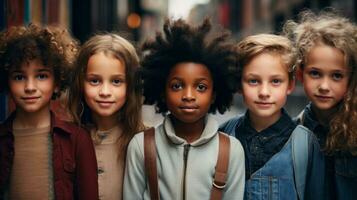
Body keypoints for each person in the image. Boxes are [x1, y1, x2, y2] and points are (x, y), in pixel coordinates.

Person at [123, 19, 245, 200]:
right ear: (162, 92)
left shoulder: (231, 151)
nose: (188, 95)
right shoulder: (141, 146)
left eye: (201, 87)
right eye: (177, 86)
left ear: (214, 94)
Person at [220, 34, 324, 199]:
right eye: (253, 81)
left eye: (275, 81)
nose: (264, 93)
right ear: (239, 84)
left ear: (290, 84)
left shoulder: (305, 144)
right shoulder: (224, 134)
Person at [0, 24, 98, 199]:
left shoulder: (78, 140)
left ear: (57, 82)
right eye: (19, 77)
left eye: (41, 76)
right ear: (7, 82)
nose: (30, 87)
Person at [284, 10, 357, 200]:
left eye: (337, 76)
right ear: (300, 74)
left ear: (350, 80)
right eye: (315, 73)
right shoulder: (289, 135)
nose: (324, 86)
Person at [68, 33, 144, 200]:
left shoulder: (145, 142)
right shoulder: (66, 140)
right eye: (95, 81)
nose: (105, 92)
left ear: (130, 85)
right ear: (80, 83)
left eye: (116, 81)